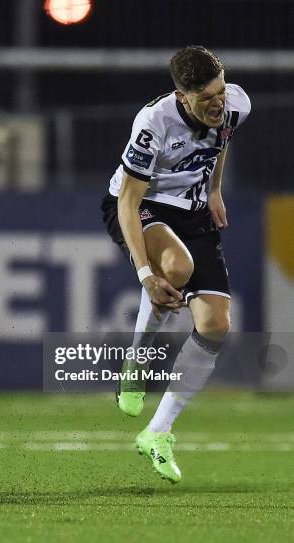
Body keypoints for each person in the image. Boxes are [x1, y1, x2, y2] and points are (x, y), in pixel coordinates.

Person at [101, 46, 251, 482]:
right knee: (177, 268)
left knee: (215, 326)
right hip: (141, 206)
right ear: (181, 96)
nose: (217, 103)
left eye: (220, 91)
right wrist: (146, 274)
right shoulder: (153, 124)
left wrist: (216, 189)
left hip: (193, 211)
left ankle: (158, 432)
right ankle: (137, 361)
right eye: (205, 98)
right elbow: (128, 202)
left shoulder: (234, 104)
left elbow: (220, 140)